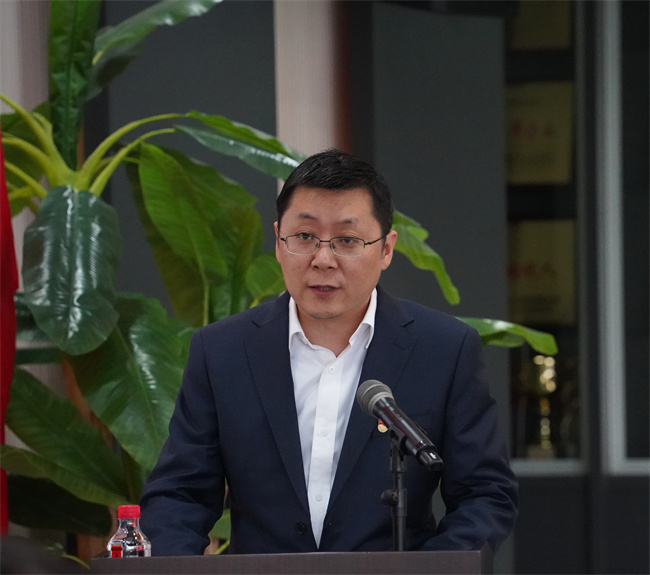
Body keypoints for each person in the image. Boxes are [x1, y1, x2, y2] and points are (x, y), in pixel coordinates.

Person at [139, 149, 518, 556]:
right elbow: (179, 495)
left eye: (347, 240)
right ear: (279, 242)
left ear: (386, 249)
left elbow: (484, 493)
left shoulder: (443, 349)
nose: (323, 260)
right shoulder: (222, 351)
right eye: (304, 237)